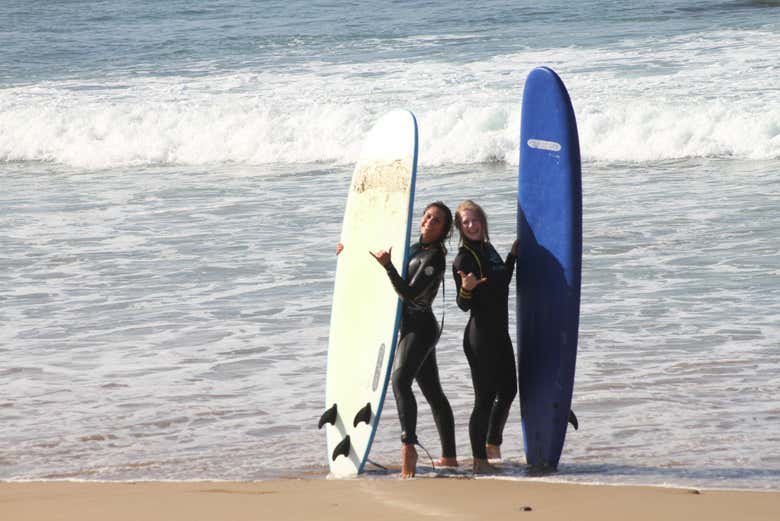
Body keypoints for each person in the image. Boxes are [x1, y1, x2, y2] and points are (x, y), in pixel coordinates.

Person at [338, 201, 458, 478]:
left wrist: (389, 267)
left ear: (444, 230)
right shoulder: (411, 248)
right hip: (408, 328)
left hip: (421, 328)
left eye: (437, 220)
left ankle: (409, 447)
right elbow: (375, 263)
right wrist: (346, 253)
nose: (429, 221)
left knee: (400, 380)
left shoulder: (435, 257)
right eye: (427, 216)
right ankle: (449, 457)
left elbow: (411, 294)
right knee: (433, 393)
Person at [451, 199, 518, 474]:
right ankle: (479, 460)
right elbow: (463, 304)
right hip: (481, 337)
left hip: (500, 332)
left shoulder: (488, 250)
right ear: (460, 227)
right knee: (484, 399)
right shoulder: (464, 258)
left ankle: (492, 444)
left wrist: (512, 256)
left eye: (474, 219)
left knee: (509, 390)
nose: (471, 225)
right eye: (465, 222)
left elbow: (502, 283)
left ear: (482, 220)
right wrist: (466, 289)